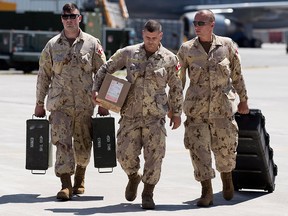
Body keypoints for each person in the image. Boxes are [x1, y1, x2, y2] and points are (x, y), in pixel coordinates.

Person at [92, 19, 183, 209]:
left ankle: (148, 193)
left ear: (160, 36)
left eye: (154, 38)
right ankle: (133, 176)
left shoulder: (170, 58)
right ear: (143, 34)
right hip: (130, 114)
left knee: (155, 157)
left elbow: (176, 87)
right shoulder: (129, 53)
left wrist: (177, 112)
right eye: (147, 37)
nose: (150, 41)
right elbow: (105, 68)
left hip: (155, 116)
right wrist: (97, 90)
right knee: (124, 155)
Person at [34, 2, 106, 201]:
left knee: (83, 145)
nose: (69, 20)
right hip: (59, 104)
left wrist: (103, 103)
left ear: (79, 18)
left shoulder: (92, 44)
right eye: (65, 17)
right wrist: (39, 102)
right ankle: (65, 184)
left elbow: (103, 74)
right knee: (62, 143)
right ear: (62, 19)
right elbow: (44, 75)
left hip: (84, 104)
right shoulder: (52, 45)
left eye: (72, 16)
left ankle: (80, 178)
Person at [177, 9, 249, 207]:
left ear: (212, 25)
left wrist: (243, 100)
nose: (197, 27)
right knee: (198, 151)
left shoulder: (227, 45)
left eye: (201, 23)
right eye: (195, 23)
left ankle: (227, 178)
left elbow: (237, 74)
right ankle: (206, 190)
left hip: (222, 110)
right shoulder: (186, 49)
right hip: (196, 111)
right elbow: (178, 82)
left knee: (226, 151)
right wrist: (174, 108)